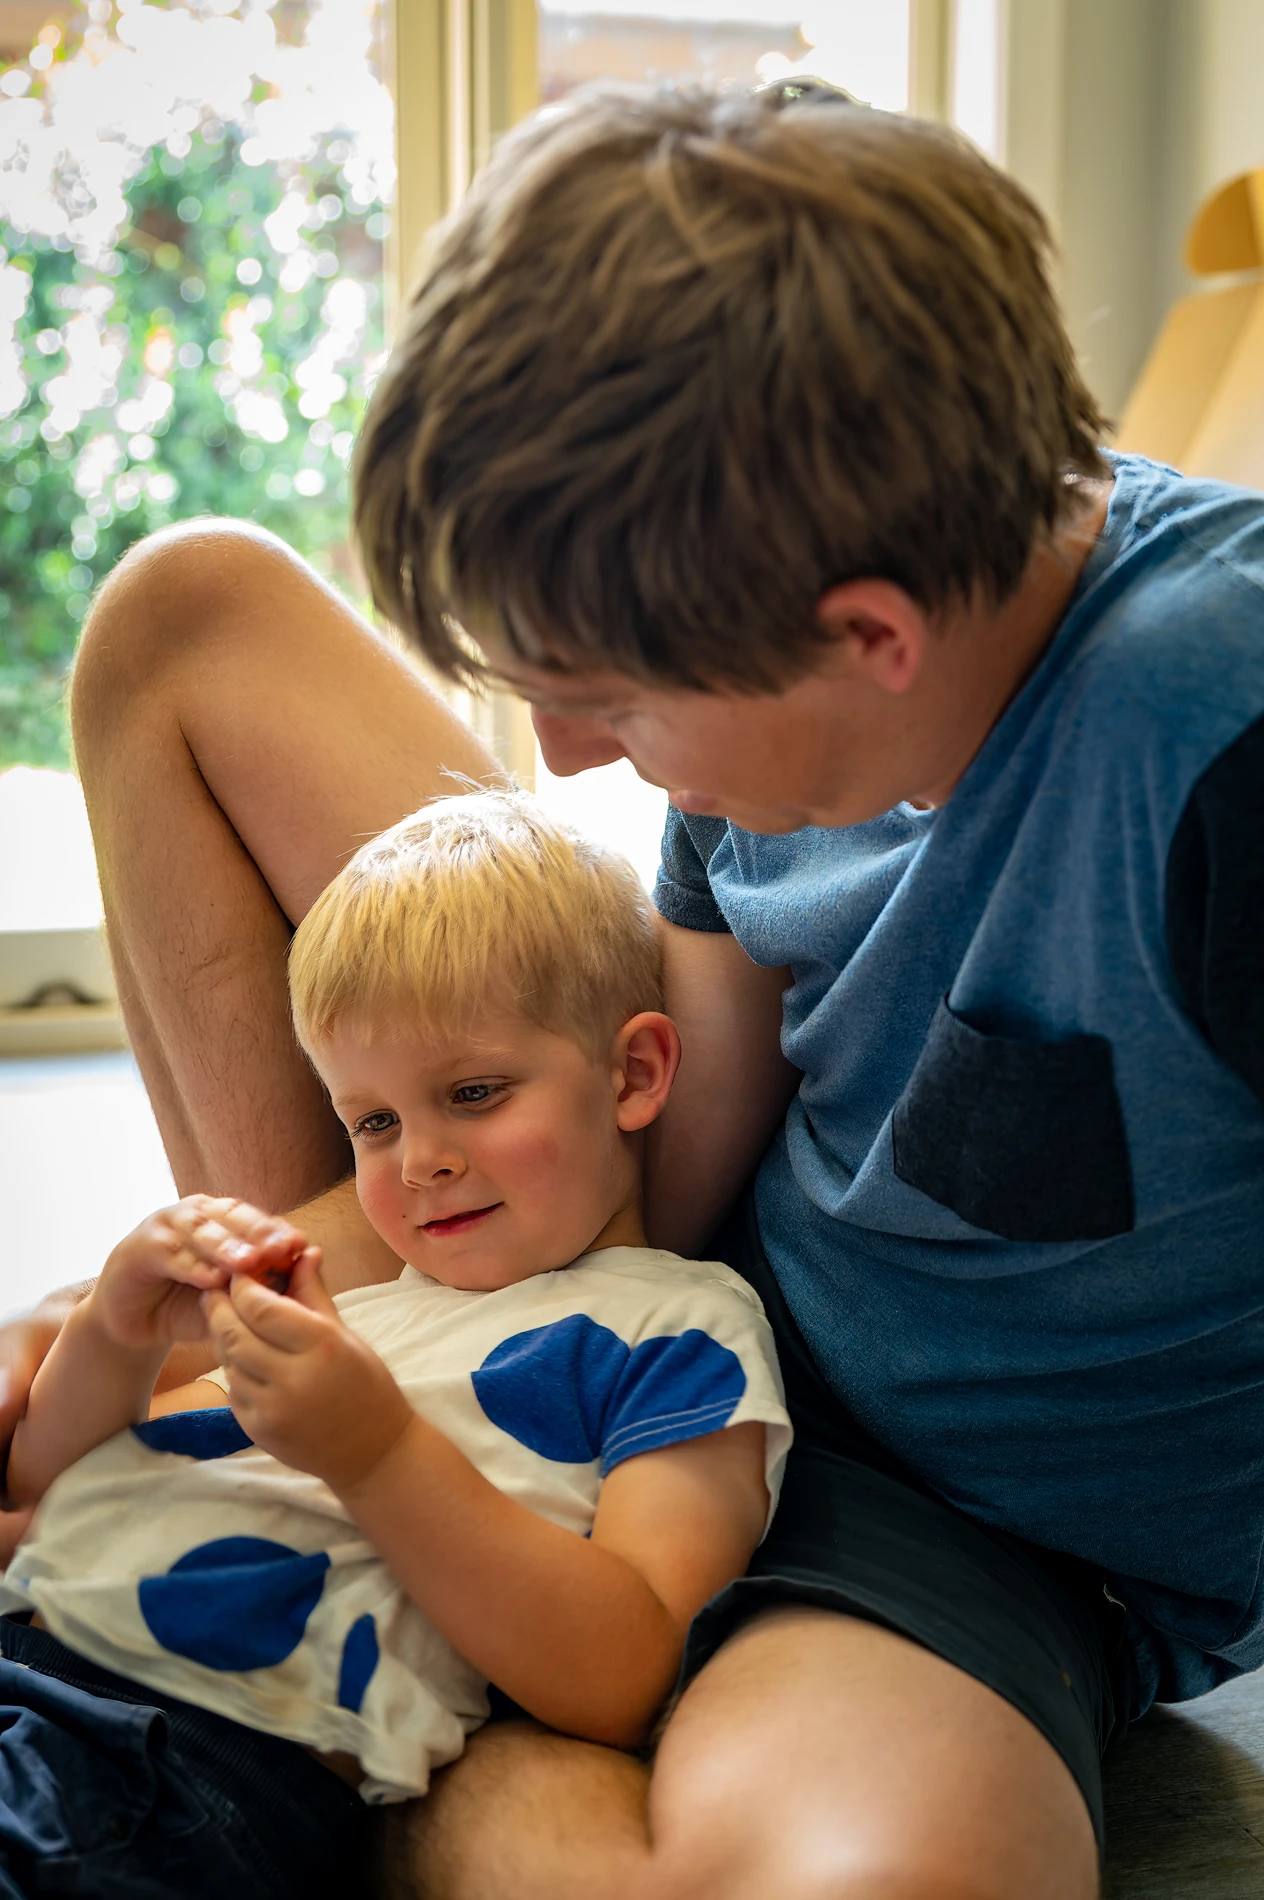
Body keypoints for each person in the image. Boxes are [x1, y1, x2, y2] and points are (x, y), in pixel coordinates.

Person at [8, 75, 1264, 1900]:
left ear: (863, 633)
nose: (568, 757)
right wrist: (209, 1295)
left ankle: (405, 1693)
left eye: (607, 692)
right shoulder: (768, 719)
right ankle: (392, 1525)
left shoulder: (1206, 727)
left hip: (952, 1523)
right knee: (183, 617)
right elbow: (662, 1172)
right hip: (644, 1265)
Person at [0, 793, 790, 1899]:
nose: (417, 1160)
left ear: (632, 1074)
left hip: (180, 1760)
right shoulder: (355, 1300)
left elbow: (626, 1666)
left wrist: (372, 1453)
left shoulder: (681, 1328)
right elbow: (39, 1478)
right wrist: (114, 1327)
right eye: (371, 1122)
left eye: (472, 1093)